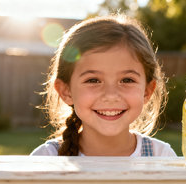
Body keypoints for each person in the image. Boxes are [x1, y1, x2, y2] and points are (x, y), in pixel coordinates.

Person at [31, 14, 176, 157]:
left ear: (147, 91)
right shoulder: (46, 158)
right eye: (93, 80)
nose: (111, 95)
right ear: (66, 91)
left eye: (127, 80)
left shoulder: (162, 156)